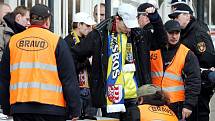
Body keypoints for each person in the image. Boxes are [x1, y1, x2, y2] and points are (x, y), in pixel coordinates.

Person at [0, 4, 81, 121]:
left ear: (30, 20)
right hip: (52, 108)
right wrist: (75, 109)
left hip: (21, 108)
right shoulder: (56, 41)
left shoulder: (14, 41)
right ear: (47, 21)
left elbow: (4, 78)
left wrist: (7, 107)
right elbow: (68, 78)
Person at [168, 4, 215, 121]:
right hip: (189, 85)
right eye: (172, 18)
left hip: (200, 85)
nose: (174, 20)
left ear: (187, 16)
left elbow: (208, 61)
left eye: (176, 16)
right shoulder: (186, 31)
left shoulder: (198, 33)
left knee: (199, 115)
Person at [150, 20, 201, 120]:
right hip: (155, 102)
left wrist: (188, 105)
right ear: (165, 33)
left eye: (177, 33)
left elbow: (194, 81)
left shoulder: (187, 54)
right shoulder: (154, 50)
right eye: (171, 33)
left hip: (176, 104)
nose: (174, 36)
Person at [64, 12, 97, 119]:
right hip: (76, 90)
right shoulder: (67, 42)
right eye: (87, 26)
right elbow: (69, 66)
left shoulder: (88, 41)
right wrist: (87, 62)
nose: (90, 29)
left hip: (89, 89)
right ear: (79, 25)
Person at [136, 3, 168, 85]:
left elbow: (161, 35)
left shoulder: (154, 33)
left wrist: (155, 19)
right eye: (145, 15)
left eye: (151, 15)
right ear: (137, 18)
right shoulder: (135, 34)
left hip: (155, 85)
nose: (148, 18)